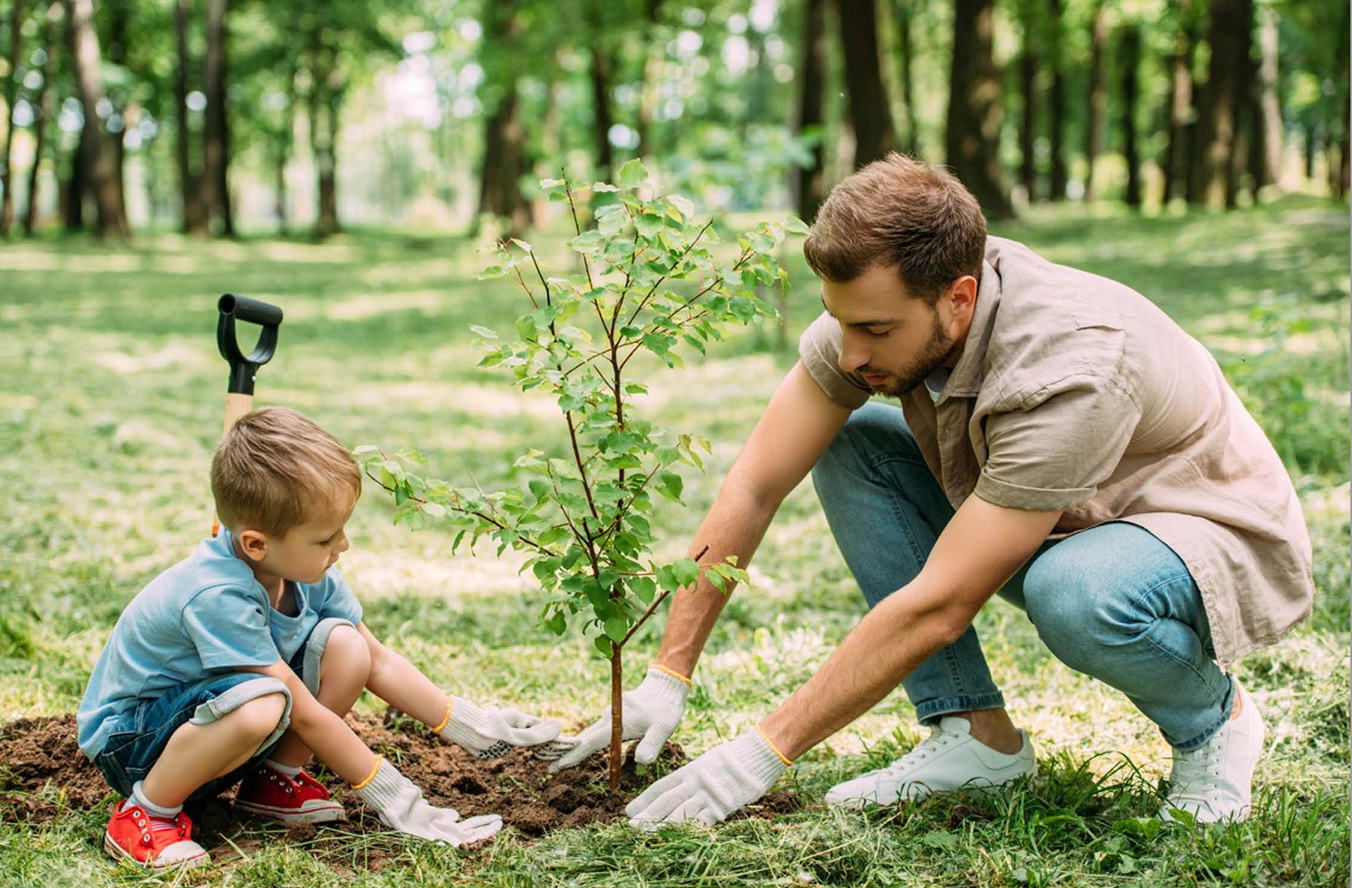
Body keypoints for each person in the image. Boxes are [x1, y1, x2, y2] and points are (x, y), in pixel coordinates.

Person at [550, 154, 1313, 828]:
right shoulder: (872, 315)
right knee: (852, 446)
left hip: (1197, 531)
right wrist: (667, 673)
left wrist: (759, 752)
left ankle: (1215, 724)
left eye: (876, 331)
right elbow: (754, 483)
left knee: (1073, 591)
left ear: (958, 296)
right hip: (1061, 511)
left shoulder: (1071, 367)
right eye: (838, 321)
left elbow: (943, 604)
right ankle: (975, 740)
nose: (851, 353)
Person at [77, 406, 563, 870]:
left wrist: (472, 727)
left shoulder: (301, 568)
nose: (342, 545)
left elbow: (377, 660)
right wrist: (398, 798)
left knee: (346, 647)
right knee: (266, 701)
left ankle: (272, 783)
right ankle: (146, 815)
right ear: (256, 544)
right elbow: (303, 713)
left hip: (208, 725)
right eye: (326, 538)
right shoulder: (216, 594)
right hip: (135, 743)